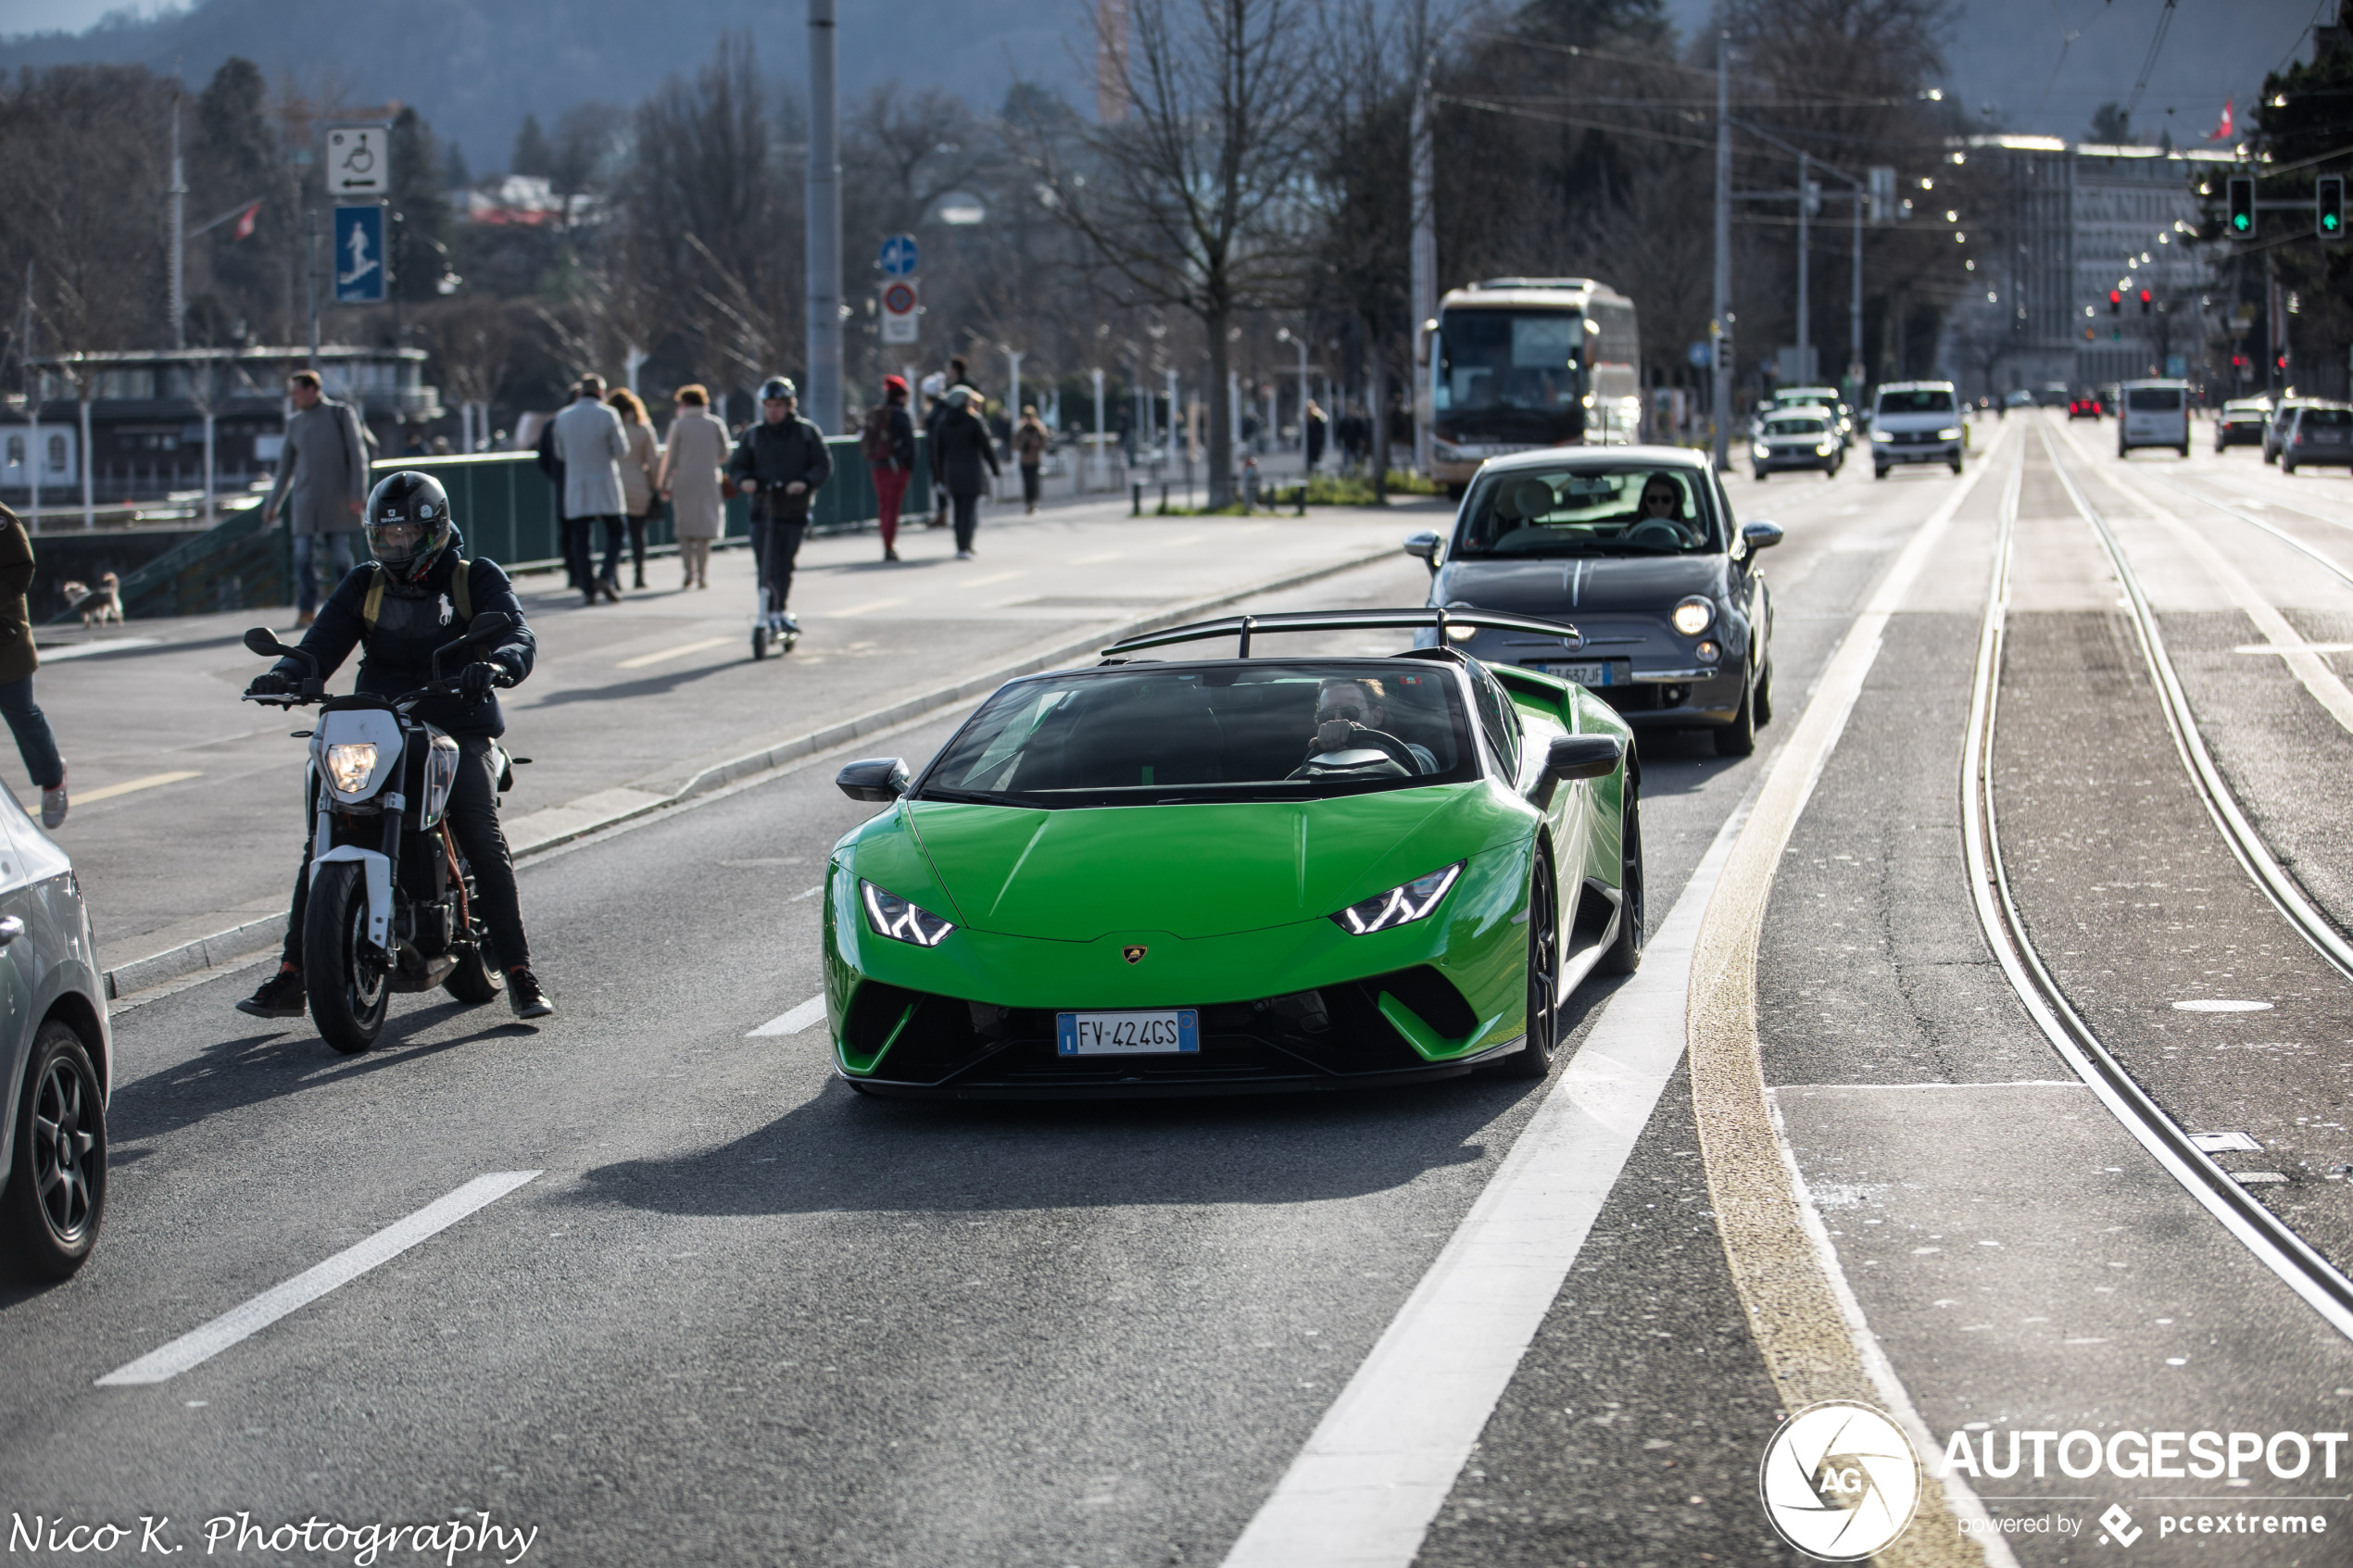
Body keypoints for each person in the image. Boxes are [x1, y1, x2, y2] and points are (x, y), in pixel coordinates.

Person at [237, 470, 553, 1022]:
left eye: (406, 535)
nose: (396, 547)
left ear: (434, 530)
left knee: (479, 830)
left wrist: (498, 665)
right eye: (385, 538)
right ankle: (294, 973)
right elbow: (318, 647)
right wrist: (284, 675)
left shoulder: (474, 576)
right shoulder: (366, 584)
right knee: (322, 834)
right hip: (377, 726)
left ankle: (521, 971)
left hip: (460, 722)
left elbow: (517, 634)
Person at [726, 375, 832, 638]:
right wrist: (745, 481)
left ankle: (780, 610)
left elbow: (823, 465)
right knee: (765, 563)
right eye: (768, 405)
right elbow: (737, 466)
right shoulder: (754, 435)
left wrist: (804, 482)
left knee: (785, 563)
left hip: (793, 510)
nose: (772, 411)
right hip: (763, 508)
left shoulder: (806, 433)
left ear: (789, 406)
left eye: (778, 405)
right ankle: (767, 611)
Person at [263, 370, 369, 628]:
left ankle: (354, 605)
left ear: (313, 390)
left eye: (298, 391)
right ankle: (306, 609)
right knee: (302, 558)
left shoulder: (340, 414)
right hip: (305, 503)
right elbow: (285, 469)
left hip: (338, 500)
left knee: (342, 558)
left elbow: (358, 457)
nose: (294, 397)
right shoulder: (294, 423)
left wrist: (358, 494)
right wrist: (272, 505)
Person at [0, 505, 66, 827]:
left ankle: (53, 780)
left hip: (4, 641)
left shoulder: (1, 519)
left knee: (22, 716)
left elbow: (19, 568)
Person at [552, 375, 630, 605]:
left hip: (577, 484)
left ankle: (588, 587)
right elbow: (621, 449)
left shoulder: (564, 417)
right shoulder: (608, 414)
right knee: (617, 532)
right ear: (601, 391)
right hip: (604, 481)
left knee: (580, 540)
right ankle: (606, 575)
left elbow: (560, 454)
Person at [657, 384, 729, 590]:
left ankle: (689, 571)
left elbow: (670, 457)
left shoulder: (679, 425)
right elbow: (725, 453)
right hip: (708, 479)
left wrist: (663, 483)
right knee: (705, 531)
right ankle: (703, 575)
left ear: (684, 403)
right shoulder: (715, 424)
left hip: (684, 480)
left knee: (685, 529)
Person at [1312, 677, 1436, 773]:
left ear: (1376, 716)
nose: (1337, 720)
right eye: (1327, 715)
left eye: (1349, 712)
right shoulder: (1309, 759)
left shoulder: (1410, 751)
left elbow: (1424, 765)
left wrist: (1364, 741)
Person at [932, 385, 999, 559]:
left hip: (951, 471)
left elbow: (938, 451)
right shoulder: (973, 420)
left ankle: (960, 545)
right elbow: (986, 446)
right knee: (968, 510)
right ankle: (966, 546)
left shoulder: (943, 421)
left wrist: (938, 475)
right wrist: (995, 468)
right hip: (971, 470)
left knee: (958, 509)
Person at [608, 387, 662, 590]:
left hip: (613, 483)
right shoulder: (643, 428)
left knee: (614, 533)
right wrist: (654, 484)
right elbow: (653, 460)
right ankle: (639, 575)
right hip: (638, 483)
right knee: (638, 533)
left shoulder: (610, 427)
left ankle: (614, 576)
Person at [862, 375, 917, 562]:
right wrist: (907, 465)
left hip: (878, 466)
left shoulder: (879, 413)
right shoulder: (900, 415)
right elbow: (910, 445)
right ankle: (889, 545)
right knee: (893, 507)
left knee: (884, 506)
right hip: (896, 467)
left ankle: (887, 542)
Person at [1013, 404, 1049, 514]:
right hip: (1024, 460)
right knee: (1027, 483)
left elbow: (1045, 443)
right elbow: (1014, 444)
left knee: (1034, 483)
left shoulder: (1038, 428)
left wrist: (1037, 444)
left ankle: (1033, 503)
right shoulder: (1020, 429)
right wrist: (1024, 444)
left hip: (1035, 459)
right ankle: (1028, 503)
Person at [1303, 400, 1327, 474]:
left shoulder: (1318, 419)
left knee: (1317, 463)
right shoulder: (1306, 421)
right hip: (1309, 446)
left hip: (1316, 445)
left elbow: (1321, 433)